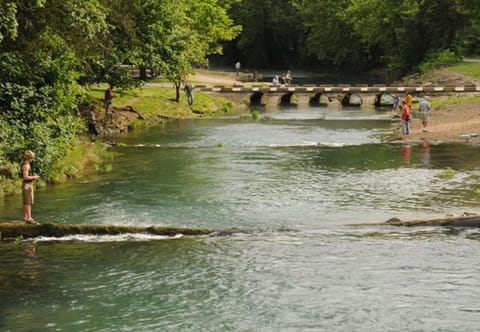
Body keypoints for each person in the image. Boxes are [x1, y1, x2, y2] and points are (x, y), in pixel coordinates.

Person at [21, 150, 40, 224]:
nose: (32, 160)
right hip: (27, 185)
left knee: (27, 201)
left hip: (28, 185)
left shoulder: (26, 165)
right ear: (29, 158)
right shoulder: (26, 166)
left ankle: (26, 217)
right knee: (28, 202)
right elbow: (25, 177)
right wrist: (34, 177)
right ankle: (29, 218)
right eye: (32, 158)